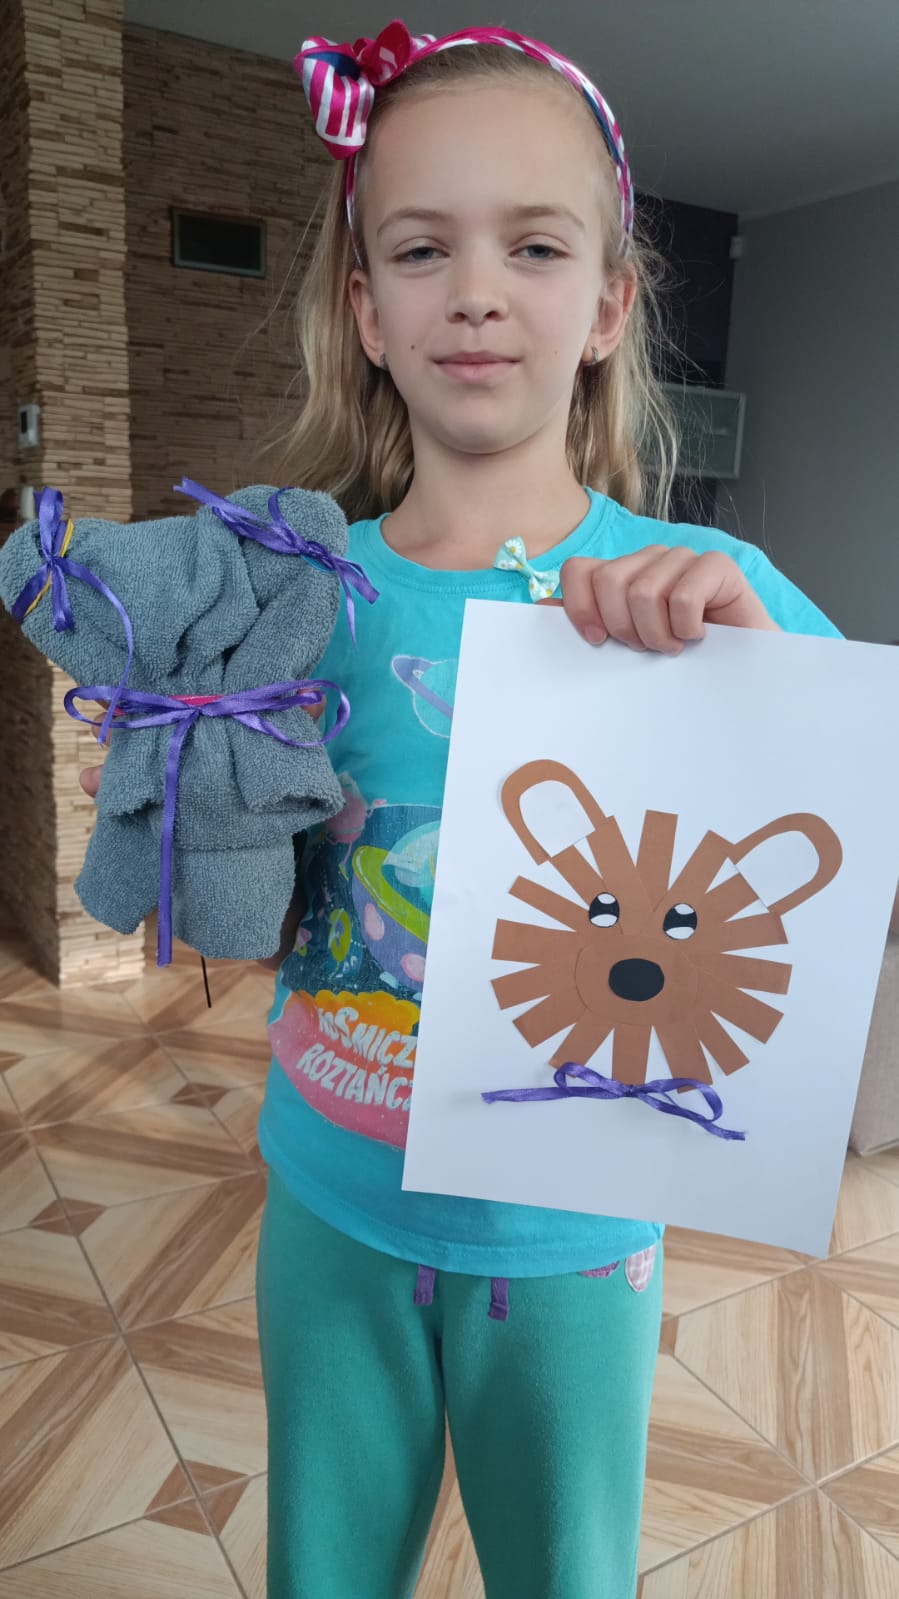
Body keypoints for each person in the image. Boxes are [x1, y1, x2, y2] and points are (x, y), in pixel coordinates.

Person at [82, 21, 842, 1598]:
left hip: (574, 1235)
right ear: (367, 309)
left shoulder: (722, 598)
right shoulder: (290, 598)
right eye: (423, 248)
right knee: (325, 1568)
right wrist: (171, 808)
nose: (477, 291)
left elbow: (848, 872)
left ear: (609, 303)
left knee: (566, 1574)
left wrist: (762, 683)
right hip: (331, 1197)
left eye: (535, 245)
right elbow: (237, 901)